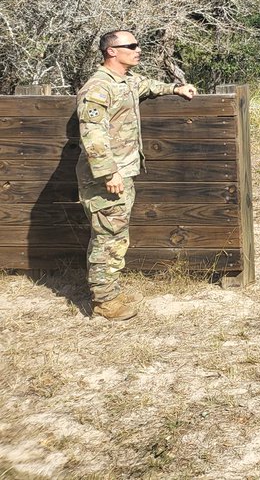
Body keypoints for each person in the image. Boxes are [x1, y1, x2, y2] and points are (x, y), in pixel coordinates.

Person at [76, 30, 197, 320]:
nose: (138, 49)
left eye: (137, 44)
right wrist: (108, 173)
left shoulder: (126, 81)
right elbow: (92, 134)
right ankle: (104, 302)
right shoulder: (98, 87)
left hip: (121, 173)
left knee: (117, 235)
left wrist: (175, 89)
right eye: (131, 46)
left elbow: (146, 86)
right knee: (108, 237)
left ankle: (110, 292)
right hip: (106, 178)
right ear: (111, 52)